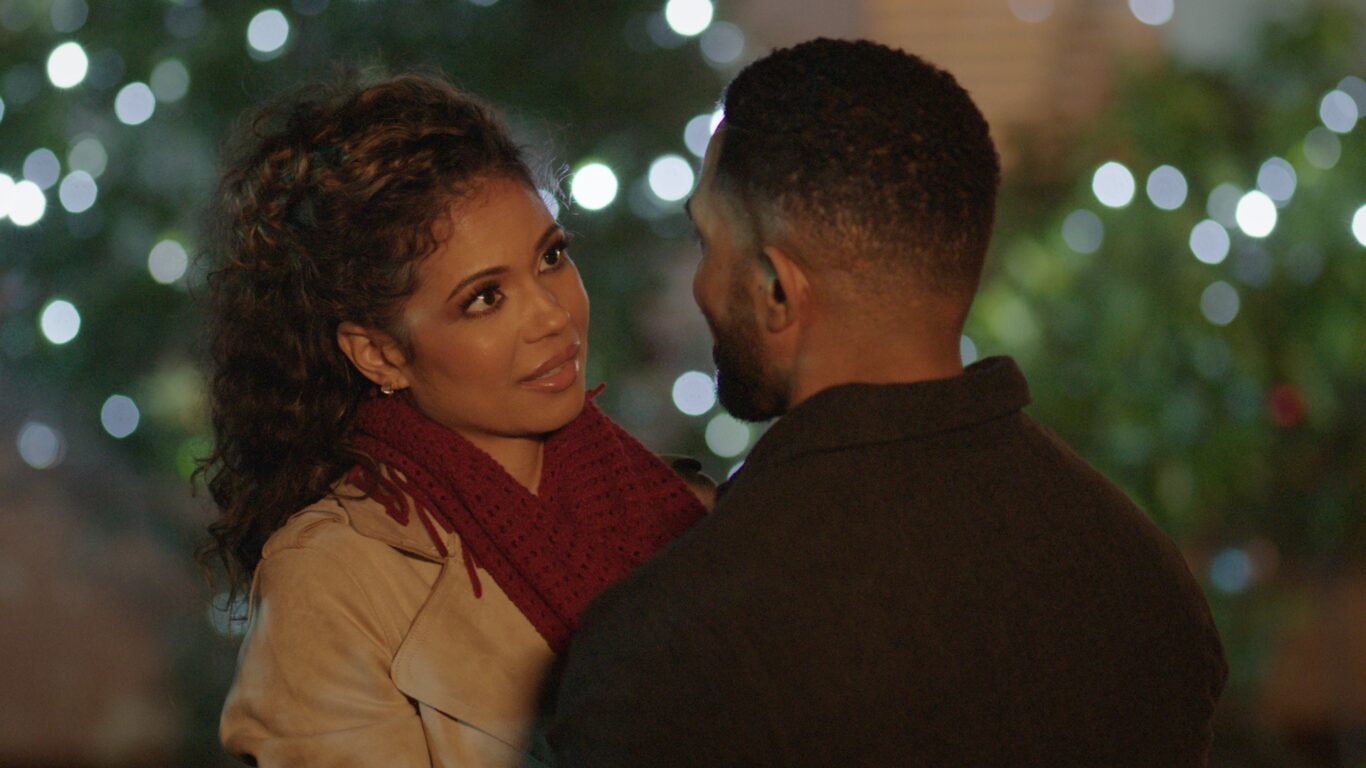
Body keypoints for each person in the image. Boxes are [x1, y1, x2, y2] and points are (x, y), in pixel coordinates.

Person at [549, 38, 1228, 766]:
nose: (700, 282)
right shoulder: (1146, 574)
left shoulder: (675, 644)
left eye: (705, 238)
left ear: (777, 290)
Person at [198, 72, 708, 767]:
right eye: (485, 298)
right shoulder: (330, 582)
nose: (554, 317)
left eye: (552, 258)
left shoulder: (680, 505)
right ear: (378, 353)